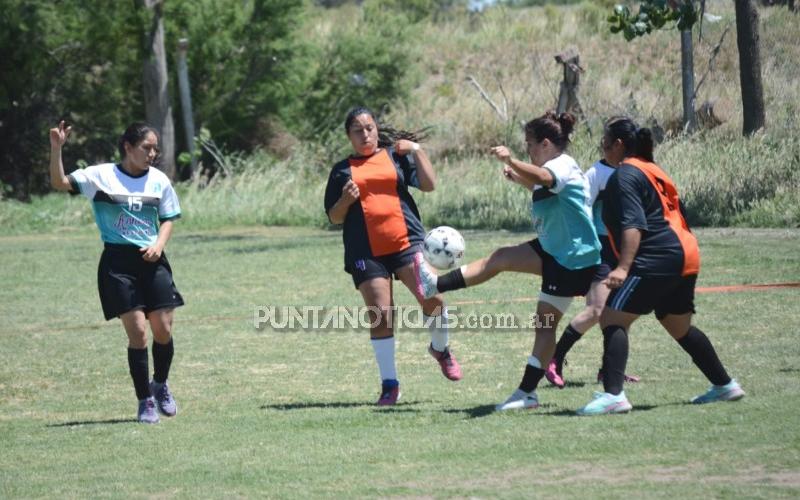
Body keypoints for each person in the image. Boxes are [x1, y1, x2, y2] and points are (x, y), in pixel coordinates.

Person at [416, 111, 601, 411]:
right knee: (502, 259)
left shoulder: (560, 165)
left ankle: (531, 392)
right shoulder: (554, 170)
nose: (527, 149)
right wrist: (519, 179)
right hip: (555, 251)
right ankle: (435, 283)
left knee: (549, 324)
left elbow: (546, 179)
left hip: (572, 259)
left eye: (529, 144)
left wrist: (512, 160)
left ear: (544, 143)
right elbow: (548, 190)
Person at [576, 117, 745, 416]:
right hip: (686, 253)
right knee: (677, 324)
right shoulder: (653, 170)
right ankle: (724, 385)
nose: (601, 146)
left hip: (658, 255)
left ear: (618, 144)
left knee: (612, 318)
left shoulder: (624, 175)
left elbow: (633, 224)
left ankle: (613, 395)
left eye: (605, 140)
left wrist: (623, 267)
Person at [323, 107, 462, 406]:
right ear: (349, 136)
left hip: (406, 243)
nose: (365, 135)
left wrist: (416, 150)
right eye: (358, 130)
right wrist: (346, 200)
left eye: (369, 128)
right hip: (365, 251)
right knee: (381, 315)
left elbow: (429, 184)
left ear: (376, 129)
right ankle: (390, 385)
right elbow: (334, 217)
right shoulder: (341, 170)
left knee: (433, 299)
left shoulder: (394, 157)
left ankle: (441, 350)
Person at [49, 121, 184, 424]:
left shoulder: (159, 180)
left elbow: (168, 218)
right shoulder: (101, 176)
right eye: (146, 148)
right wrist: (57, 148)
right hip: (118, 264)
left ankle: (160, 384)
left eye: (155, 149)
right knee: (138, 332)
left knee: (163, 328)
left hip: (153, 261)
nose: (152, 154)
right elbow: (59, 182)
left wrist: (159, 245)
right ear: (128, 147)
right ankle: (144, 400)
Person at [545, 117, 641, 388]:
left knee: (619, 313)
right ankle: (554, 357)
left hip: (625, 253)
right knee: (597, 309)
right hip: (601, 251)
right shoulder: (597, 174)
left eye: (607, 141)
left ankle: (609, 370)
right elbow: (580, 212)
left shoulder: (637, 171)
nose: (603, 145)